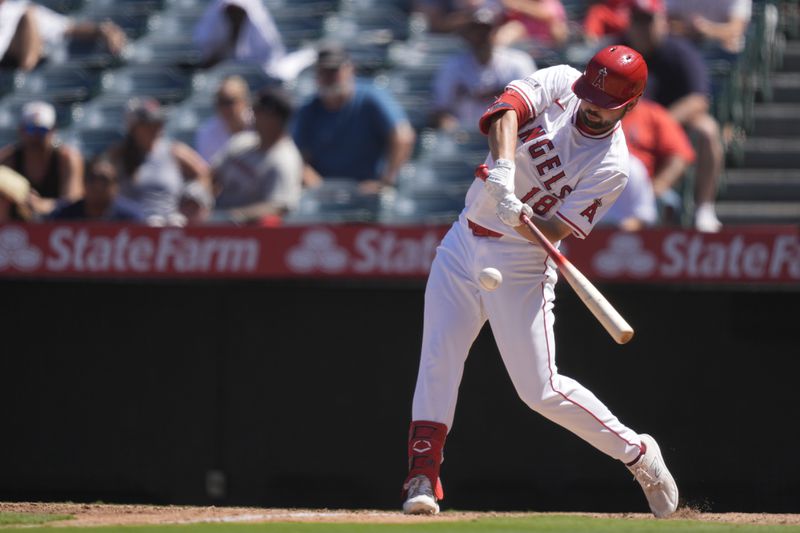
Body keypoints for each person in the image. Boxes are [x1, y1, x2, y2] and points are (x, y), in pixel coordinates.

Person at [400, 45, 678, 518]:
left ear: (629, 106)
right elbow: (506, 112)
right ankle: (422, 476)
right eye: (589, 96)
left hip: (523, 259)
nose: (590, 107)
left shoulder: (613, 166)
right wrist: (505, 171)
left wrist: (522, 215)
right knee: (438, 358)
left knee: (540, 390)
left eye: (604, 104)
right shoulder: (560, 82)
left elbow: (556, 231)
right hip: (464, 238)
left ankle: (638, 454)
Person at [624, 0, 723, 232]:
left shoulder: (680, 52)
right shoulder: (619, 49)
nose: (642, 28)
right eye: (637, 21)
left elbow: (699, 99)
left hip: (674, 122)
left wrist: (660, 123)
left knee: (708, 129)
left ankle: (704, 208)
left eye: (648, 21)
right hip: (628, 124)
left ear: (663, 21)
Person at [292, 44, 415, 194]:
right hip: (323, 193)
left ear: (350, 69)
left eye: (334, 71)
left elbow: (403, 136)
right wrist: (320, 189)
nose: (329, 77)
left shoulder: (371, 98)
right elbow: (298, 158)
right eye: (323, 71)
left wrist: (385, 181)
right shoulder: (309, 110)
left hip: (368, 192)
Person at [104, 97, 211, 227]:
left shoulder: (174, 151)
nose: (156, 128)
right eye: (149, 124)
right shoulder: (118, 155)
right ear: (134, 127)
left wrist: (195, 200)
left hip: (171, 222)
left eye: (158, 123)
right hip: (130, 226)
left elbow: (204, 173)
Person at [432, 6, 536, 132]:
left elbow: (533, 105)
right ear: (467, 34)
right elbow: (440, 109)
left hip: (509, 132)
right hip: (464, 137)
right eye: (476, 30)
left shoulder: (518, 62)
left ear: (495, 31)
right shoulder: (452, 66)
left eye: (486, 30)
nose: (481, 36)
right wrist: (450, 127)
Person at [211, 86, 303, 224]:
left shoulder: (285, 159)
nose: (253, 115)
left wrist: (235, 216)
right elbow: (211, 174)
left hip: (248, 233)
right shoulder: (241, 141)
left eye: (259, 111)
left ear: (276, 118)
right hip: (215, 218)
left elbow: (279, 206)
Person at [0, 101, 83, 218]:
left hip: (58, 224)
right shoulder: (7, 159)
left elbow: (73, 201)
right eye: (31, 129)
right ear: (21, 130)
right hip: (18, 227)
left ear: (53, 131)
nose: (36, 136)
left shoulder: (67, 159)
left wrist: (42, 205)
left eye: (42, 130)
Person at [621, 97, 696, 222]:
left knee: (668, 201)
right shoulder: (593, 113)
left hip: (641, 190)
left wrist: (658, 186)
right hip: (599, 187)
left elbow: (680, 155)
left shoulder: (653, 114)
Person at [0, 0, 126, 71]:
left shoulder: (15, 9)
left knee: (29, 14)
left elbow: (67, 28)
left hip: (15, 64)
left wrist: (102, 30)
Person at [193, 0, 285, 75]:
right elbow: (210, 60)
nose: (235, 15)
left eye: (238, 11)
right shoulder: (215, 32)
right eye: (231, 11)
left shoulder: (262, 36)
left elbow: (269, 62)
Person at [49, 157, 144, 222]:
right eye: (92, 179)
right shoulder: (64, 216)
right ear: (84, 183)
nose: (98, 186)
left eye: (105, 180)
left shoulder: (131, 218)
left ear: (116, 187)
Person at [195, 75, 254, 163]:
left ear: (244, 101)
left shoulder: (260, 125)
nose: (224, 108)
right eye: (220, 102)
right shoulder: (207, 132)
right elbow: (208, 170)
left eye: (229, 102)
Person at [665, 0, 752, 55]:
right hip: (683, 45)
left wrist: (707, 29)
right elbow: (663, 19)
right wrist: (689, 29)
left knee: (732, 45)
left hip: (721, 53)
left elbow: (736, 29)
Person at [600, 155, 658, 229]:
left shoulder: (633, 167)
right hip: (589, 230)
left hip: (620, 232)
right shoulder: (585, 163)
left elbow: (645, 214)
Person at [496, 0, 569, 48]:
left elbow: (546, 14)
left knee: (514, 28)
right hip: (521, 44)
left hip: (545, 45)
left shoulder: (550, 2)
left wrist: (521, 5)